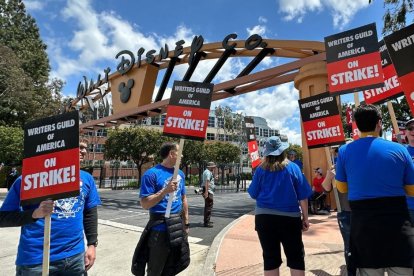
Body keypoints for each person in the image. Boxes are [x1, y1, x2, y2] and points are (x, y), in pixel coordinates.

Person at [0, 139, 101, 275]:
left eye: (85, 148)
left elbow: (90, 214)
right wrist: (34, 214)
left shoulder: (87, 178)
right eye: (79, 146)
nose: (83, 151)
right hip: (36, 261)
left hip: (75, 258)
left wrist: (92, 244)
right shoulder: (28, 179)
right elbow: (3, 218)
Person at [335, 104, 414, 275]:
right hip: (397, 227)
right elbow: (412, 189)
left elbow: (341, 187)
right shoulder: (400, 150)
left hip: (364, 228)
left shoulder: (344, 151)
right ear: (379, 123)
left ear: (356, 124)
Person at [248, 136, 312, 276]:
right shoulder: (293, 168)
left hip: (264, 218)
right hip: (290, 218)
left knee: (270, 258)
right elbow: (303, 197)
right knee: (296, 258)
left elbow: (253, 193)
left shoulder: (260, 170)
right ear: (283, 151)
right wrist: (305, 218)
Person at [134, 141, 190, 276]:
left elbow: (183, 199)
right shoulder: (151, 174)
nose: (182, 156)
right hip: (159, 229)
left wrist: (186, 223)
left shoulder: (180, 174)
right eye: (179, 153)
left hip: (177, 226)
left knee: (174, 266)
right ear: (171, 154)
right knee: (156, 268)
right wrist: (165, 191)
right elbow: (145, 204)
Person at [321, 164, 356, 276]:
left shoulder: (360, 163)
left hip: (362, 211)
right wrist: (329, 176)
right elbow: (326, 189)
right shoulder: (335, 168)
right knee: (349, 245)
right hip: (345, 213)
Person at [404, 118, 414, 224]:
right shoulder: (401, 151)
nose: (413, 131)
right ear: (406, 132)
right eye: (410, 128)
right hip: (408, 206)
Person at [201, 161, 216, 228]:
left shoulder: (207, 172)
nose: (214, 167)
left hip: (208, 190)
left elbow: (208, 181)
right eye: (213, 167)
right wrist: (206, 192)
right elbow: (207, 182)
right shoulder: (207, 172)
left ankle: (207, 220)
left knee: (208, 206)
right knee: (208, 207)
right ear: (210, 167)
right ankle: (206, 222)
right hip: (208, 191)